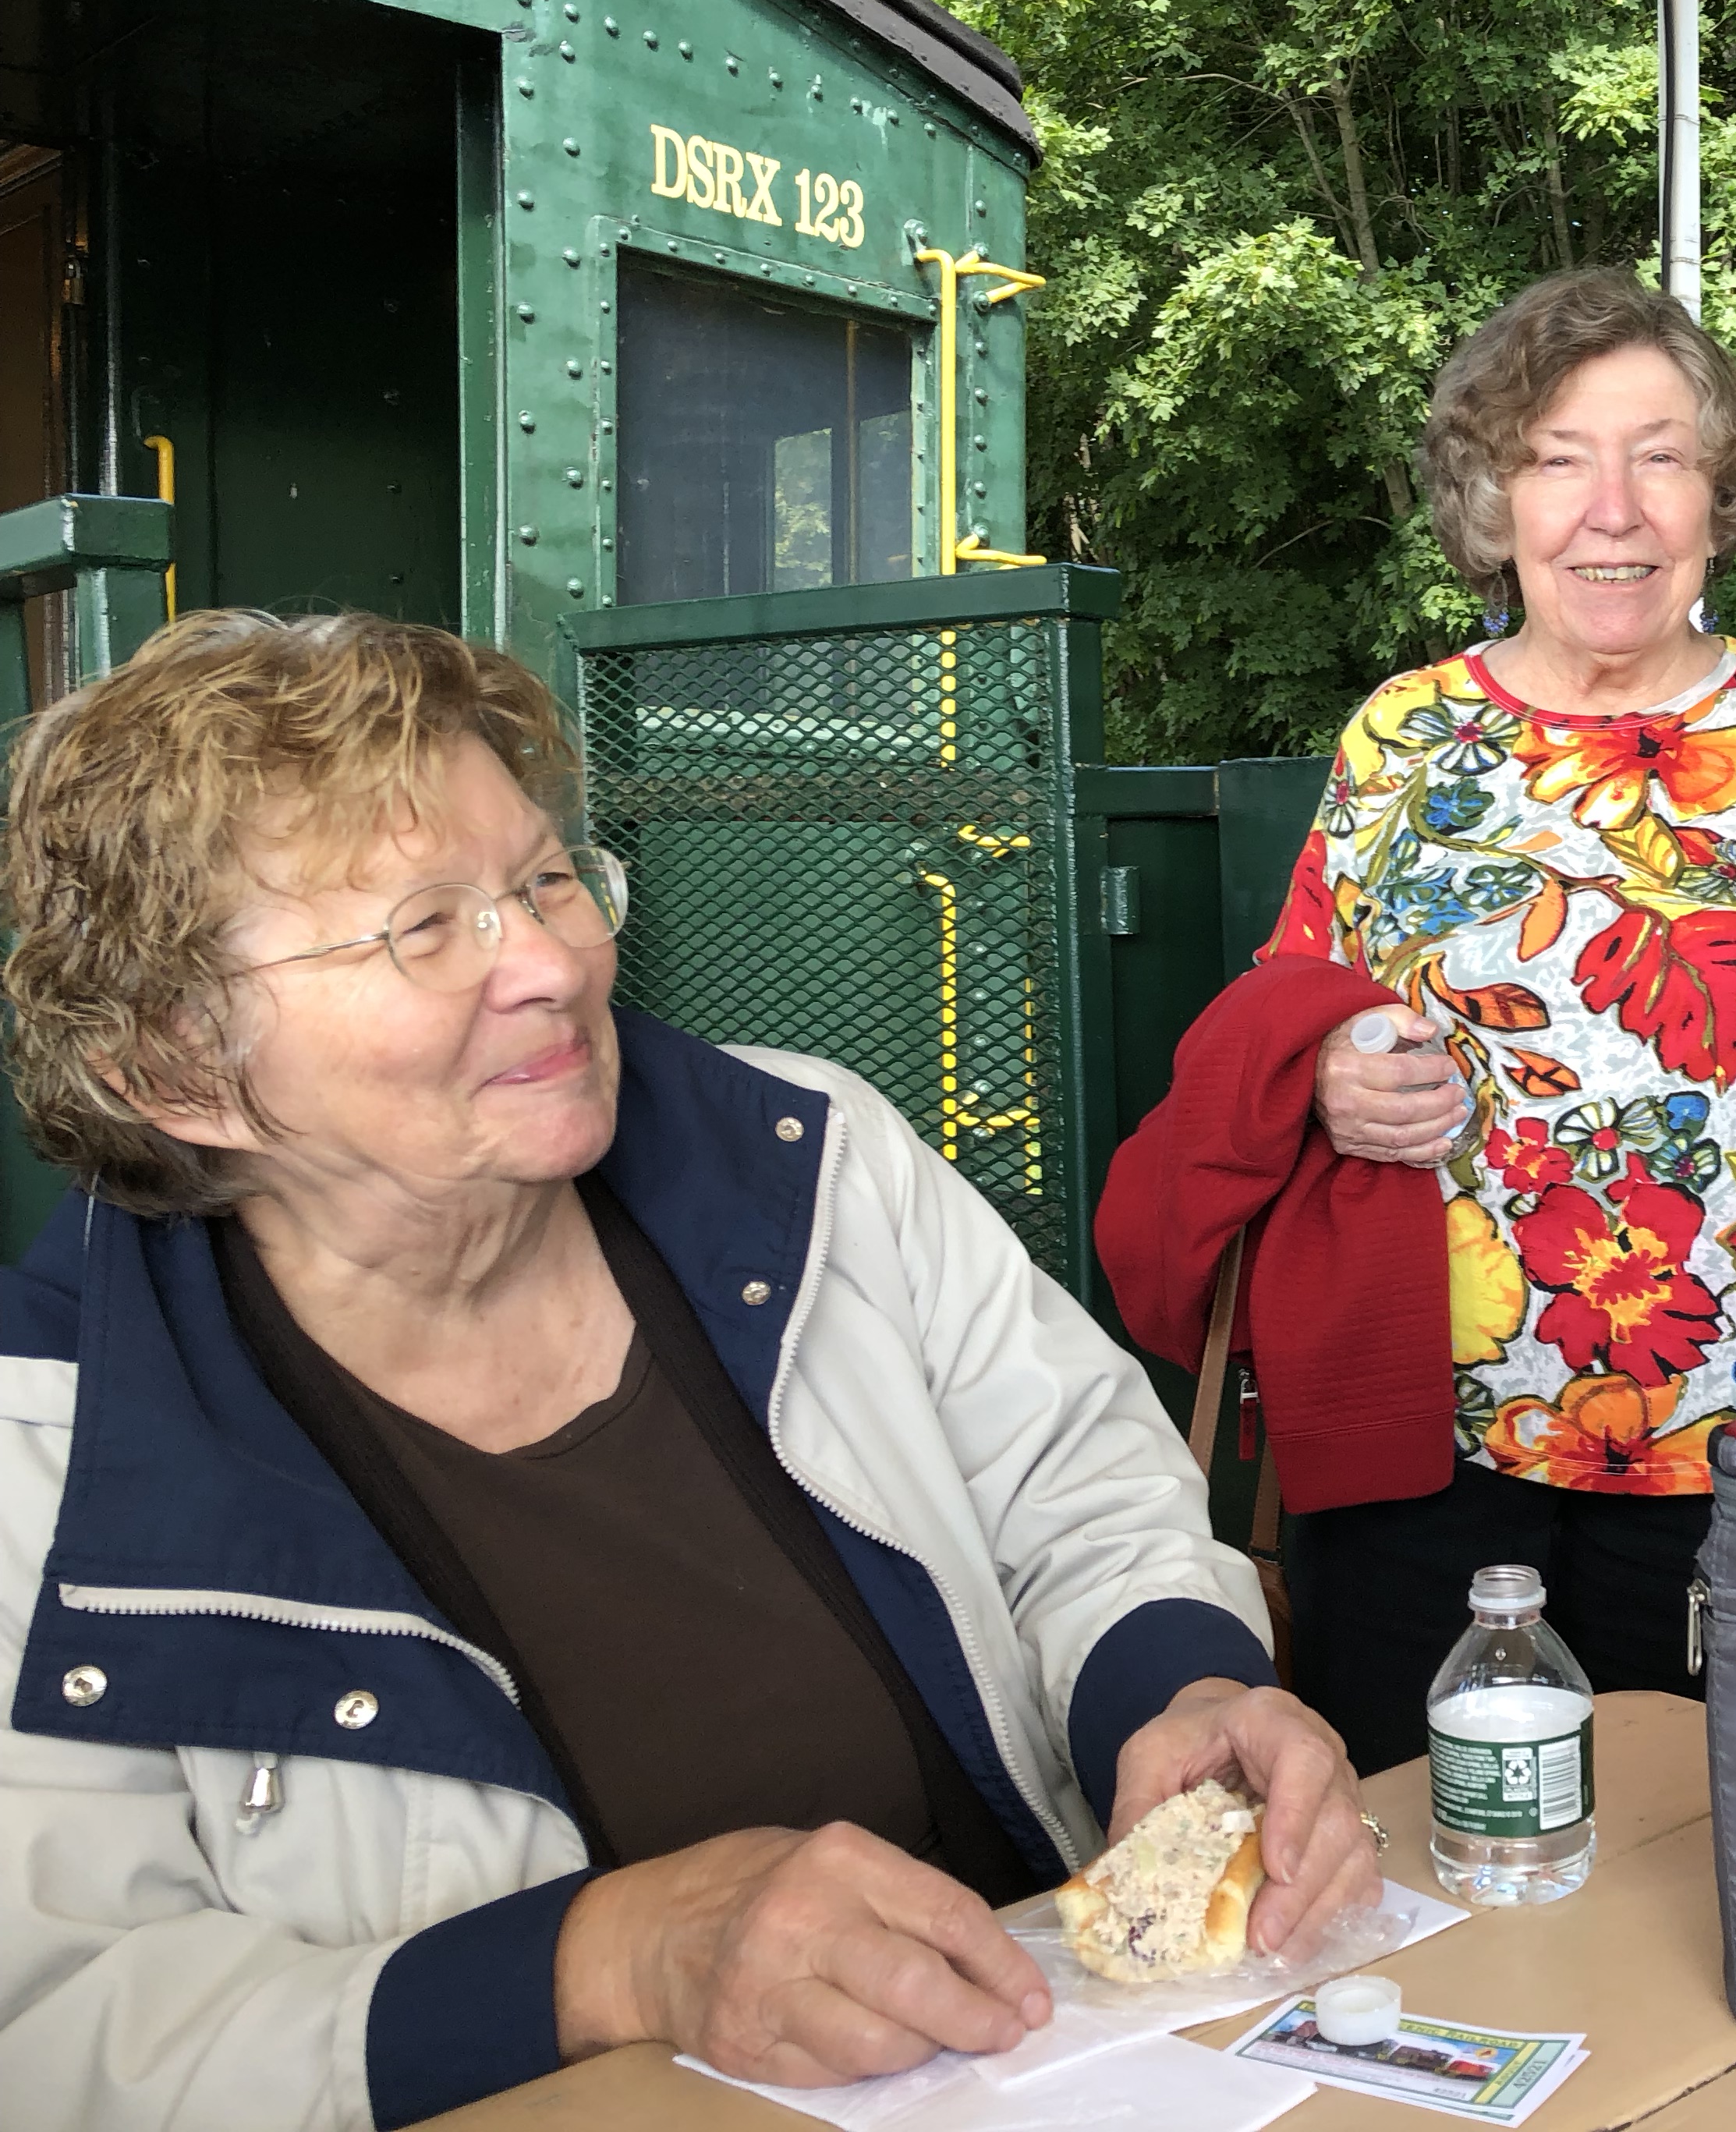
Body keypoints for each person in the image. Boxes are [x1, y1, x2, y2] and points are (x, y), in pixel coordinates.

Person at [0, 613, 1378, 2130]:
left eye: (543, 880)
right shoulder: (48, 1455)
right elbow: (59, 2029)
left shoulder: (808, 1159)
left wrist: (1171, 1689)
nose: (546, 962)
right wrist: (605, 1958)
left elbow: (1080, 1488)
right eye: (424, 926)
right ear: (174, 1071)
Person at [1259, 267, 1736, 1773]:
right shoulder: (1404, 734)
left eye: (1660, 455)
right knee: (1413, 1847)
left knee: (1727, 1871)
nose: (1614, 508)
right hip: (1425, 1436)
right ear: (1494, 501)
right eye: (1560, 458)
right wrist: (1321, 1072)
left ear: (1720, 494)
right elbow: (1287, 997)